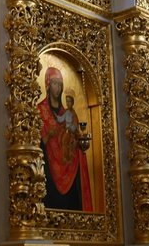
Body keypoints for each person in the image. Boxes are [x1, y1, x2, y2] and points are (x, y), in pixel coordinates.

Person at [37, 67, 93, 211]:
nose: (58, 88)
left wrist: (78, 141)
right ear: (48, 85)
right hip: (48, 170)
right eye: (55, 83)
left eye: (60, 84)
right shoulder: (40, 111)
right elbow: (36, 144)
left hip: (69, 166)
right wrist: (48, 136)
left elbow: (75, 136)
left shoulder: (67, 113)